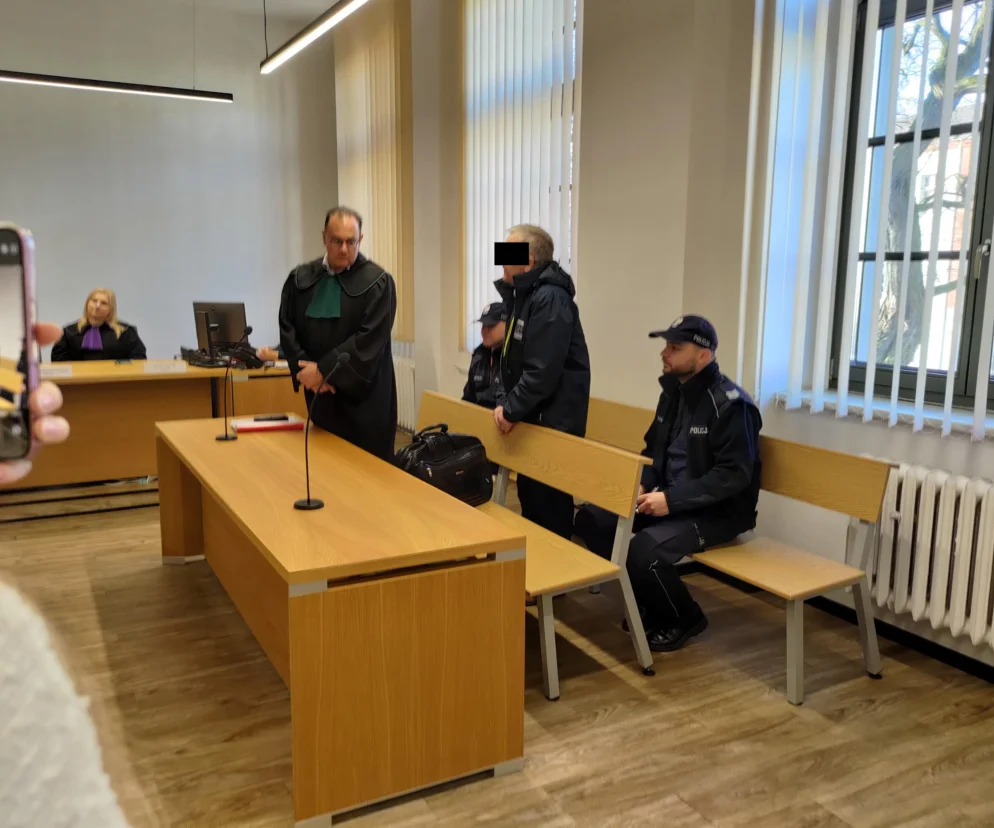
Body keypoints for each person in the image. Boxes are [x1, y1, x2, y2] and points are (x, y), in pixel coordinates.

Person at [574, 315, 762, 652]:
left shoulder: (732, 405)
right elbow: (653, 451)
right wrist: (644, 485)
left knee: (644, 550)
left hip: (717, 511)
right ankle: (647, 602)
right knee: (592, 518)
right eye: (666, 346)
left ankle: (684, 616)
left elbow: (733, 475)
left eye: (675, 347)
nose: (664, 353)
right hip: (668, 497)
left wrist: (671, 500)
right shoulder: (674, 392)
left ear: (703, 355)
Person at [493, 224, 590, 539]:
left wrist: (510, 409)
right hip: (534, 416)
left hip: (553, 422)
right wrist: (506, 402)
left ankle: (556, 568)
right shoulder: (525, 295)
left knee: (549, 506)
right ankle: (534, 561)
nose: (501, 260)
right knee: (531, 501)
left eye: (508, 252)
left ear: (529, 261)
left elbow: (541, 371)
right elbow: (512, 360)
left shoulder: (551, 299)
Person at [279, 207, 397, 461]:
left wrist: (323, 371)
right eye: (337, 241)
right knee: (323, 466)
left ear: (360, 240)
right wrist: (306, 372)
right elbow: (287, 328)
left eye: (351, 242)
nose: (344, 249)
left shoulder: (378, 283)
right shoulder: (299, 279)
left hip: (364, 404)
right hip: (320, 398)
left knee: (367, 474)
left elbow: (368, 341)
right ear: (324, 237)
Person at [51, 289, 147, 362]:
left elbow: (139, 359)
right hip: (79, 381)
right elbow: (58, 361)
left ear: (111, 309)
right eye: (94, 301)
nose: (97, 306)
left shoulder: (126, 332)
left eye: (104, 303)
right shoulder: (68, 332)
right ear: (87, 303)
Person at [462, 302, 507, 408]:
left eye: (490, 326)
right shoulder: (479, 354)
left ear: (507, 324)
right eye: (483, 325)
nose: (484, 330)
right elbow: (469, 397)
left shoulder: (515, 358)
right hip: (477, 415)